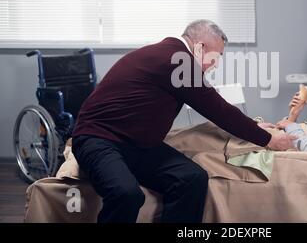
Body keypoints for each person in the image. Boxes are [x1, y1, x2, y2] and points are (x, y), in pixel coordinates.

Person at [71, 19, 295, 223]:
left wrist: (253, 127)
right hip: (98, 138)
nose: (215, 65)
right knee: (126, 194)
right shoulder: (175, 60)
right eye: (215, 58)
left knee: (191, 178)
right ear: (200, 47)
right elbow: (217, 108)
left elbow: (215, 105)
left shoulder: (172, 55)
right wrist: (268, 139)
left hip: (136, 145)